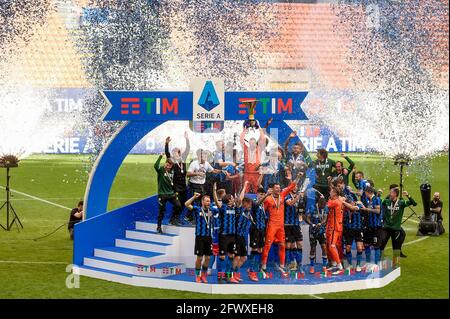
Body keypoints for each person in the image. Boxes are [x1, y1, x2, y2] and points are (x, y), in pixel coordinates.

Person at [260, 173, 302, 278]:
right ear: (272, 189)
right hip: (272, 225)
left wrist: (298, 176)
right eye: (276, 188)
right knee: (268, 245)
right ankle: (263, 265)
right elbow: (261, 210)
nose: (278, 190)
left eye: (279, 188)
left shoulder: (283, 194)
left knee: (282, 245)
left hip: (281, 226)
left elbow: (292, 185)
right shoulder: (268, 199)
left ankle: (282, 265)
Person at [380, 187, 417, 267]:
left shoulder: (401, 203)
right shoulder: (386, 201)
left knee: (396, 247)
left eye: (391, 193)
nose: (390, 194)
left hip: (396, 229)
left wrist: (408, 195)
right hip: (386, 228)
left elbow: (414, 203)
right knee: (381, 244)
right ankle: (380, 261)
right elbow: (379, 202)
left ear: (395, 194)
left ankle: (395, 264)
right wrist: (379, 194)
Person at [185, 193, 216, 283]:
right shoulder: (197, 209)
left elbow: (220, 207)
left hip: (209, 237)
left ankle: (203, 275)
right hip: (200, 237)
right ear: (202, 202)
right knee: (199, 258)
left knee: (208, 258)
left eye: (209, 201)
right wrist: (194, 197)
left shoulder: (212, 210)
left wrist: (214, 193)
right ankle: (197, 276)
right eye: (207, 201)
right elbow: (186, 204)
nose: (208, 202)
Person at [213, 183, 239, 284]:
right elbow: (216, 201)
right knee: (222, 257)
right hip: (223, 235)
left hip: (232, 235)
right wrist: (214, 191)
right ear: (228, 199)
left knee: (231, 256)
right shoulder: (223, 207)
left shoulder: (234, 208)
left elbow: (239, 201)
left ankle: (228, 276)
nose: (233, 199)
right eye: (232, 198)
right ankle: (219, 277)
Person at [247, 186, 271, 280]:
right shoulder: (253, 201)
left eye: (263, 194)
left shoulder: (263, 205)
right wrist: (267, 196)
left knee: (260, 250)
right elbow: (257, 204)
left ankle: (256, 269)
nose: (262, 196)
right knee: (254, 249)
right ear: (257, 194)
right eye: (261, 194)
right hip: (255, 229)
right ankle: (252, 272)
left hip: (261, 229)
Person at [165, 133, 190, 222]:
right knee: (177, 204)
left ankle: (177, 217)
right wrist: (166, 144)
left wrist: (187, 139)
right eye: (173, 153)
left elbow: (187, 150)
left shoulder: (183, 160)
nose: (174, 154)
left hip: (183, 186)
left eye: (176, 152)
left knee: (183, 204)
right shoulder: (172, 162)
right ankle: (173, 218)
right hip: (176, 187)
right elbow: (167, 154)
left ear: (179, 154)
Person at [154, 153, 182, 233]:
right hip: (162, 195)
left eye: (171, 164)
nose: (169, 165)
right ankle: (158, 227)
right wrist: (160, 156)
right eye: (168, 163)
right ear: (165, 163)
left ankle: (172, 219)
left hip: (171, 194)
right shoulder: (161, 170)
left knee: (178, 205)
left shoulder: (173, 171)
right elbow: (155, 165)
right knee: (161, 211)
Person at [240, 123, 266, 194]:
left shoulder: (259, 149)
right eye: (250, 143)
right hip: (247, 173)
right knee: (245, 189)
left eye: (253, 143)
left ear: (255, 144)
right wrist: (244, 130)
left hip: (256, 173)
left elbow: (263, 139)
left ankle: (257, 203)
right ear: (249, 144)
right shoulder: (246, 149)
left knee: (256, 190)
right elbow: (241, 140)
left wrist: (260, 128)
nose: (252, 145)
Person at [284, 184, 304, 271]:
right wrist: (298, 197)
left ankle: (299, 264)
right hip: (288, 224)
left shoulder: (299, 197)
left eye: (296, 187)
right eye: (293, 187)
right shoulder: (286, 196)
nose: (295, 188)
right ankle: (290, 263)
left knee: (299, 244)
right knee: (289, 245)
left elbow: (301, 209)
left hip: (296, 224)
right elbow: (290, 203)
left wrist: (300, 214)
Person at [360, 186, 382, 264]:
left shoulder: (376, 199)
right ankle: (368, 262)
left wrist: (366, 209)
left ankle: (376, 264)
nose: (364, 194)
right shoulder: (369, 200)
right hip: (369, 226)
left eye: (365, 192)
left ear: (368, 192)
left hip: (376, 226)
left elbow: (378, 211)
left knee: (376, 245)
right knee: (366, 244)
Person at [342, 194, 365, 272]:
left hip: (358, 230)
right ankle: (350, 264)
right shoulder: (345, 209)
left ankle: (358, 265)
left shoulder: (358, 205)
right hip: (349, 231)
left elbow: (354, 208)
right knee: (348, 248)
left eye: (350, 202)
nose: (349, 204)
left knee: (359, 247)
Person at [326, 188, 345, 275]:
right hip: (335, 225)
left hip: (334, 226)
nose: (329, 192)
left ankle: (340, 267)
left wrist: (328, 198)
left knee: (332, 246)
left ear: (334, 194)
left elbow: (328, 205)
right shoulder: (339, 200)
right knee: (331, 245)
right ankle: (334, 264)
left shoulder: (335, 202)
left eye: (331, 191)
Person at [306, 197, 328, 274]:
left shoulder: (325, 208)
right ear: (318, 203)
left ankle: (324, 266)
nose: (323, 207)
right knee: (313, 248)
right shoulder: (312, 207)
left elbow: (325, 218)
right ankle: (312, 266)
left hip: (321, 230)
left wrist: (321, 223)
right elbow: (307, 218)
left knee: (324, 247)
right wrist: (312, 224)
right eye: (322, 205)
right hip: (313, 231)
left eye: (324, 205)